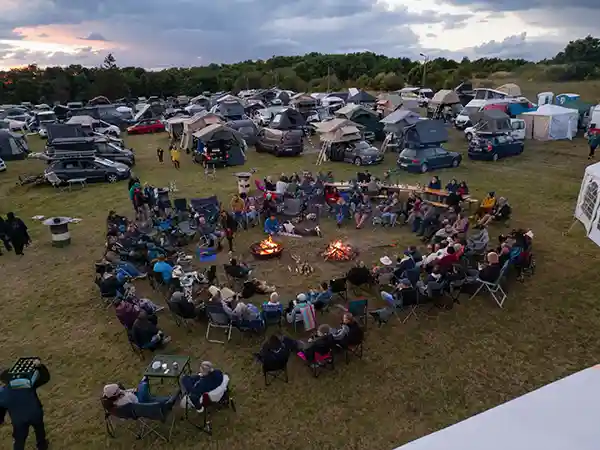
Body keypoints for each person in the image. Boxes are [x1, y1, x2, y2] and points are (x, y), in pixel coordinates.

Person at [0, 358, 50, 450]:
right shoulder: (27, 384)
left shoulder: (2, 393)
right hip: (35, 414)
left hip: (19, 420)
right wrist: (40, 367)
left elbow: (1, 408)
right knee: (40, 431)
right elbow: (45, 378)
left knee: (19, 440)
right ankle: (42, 446)